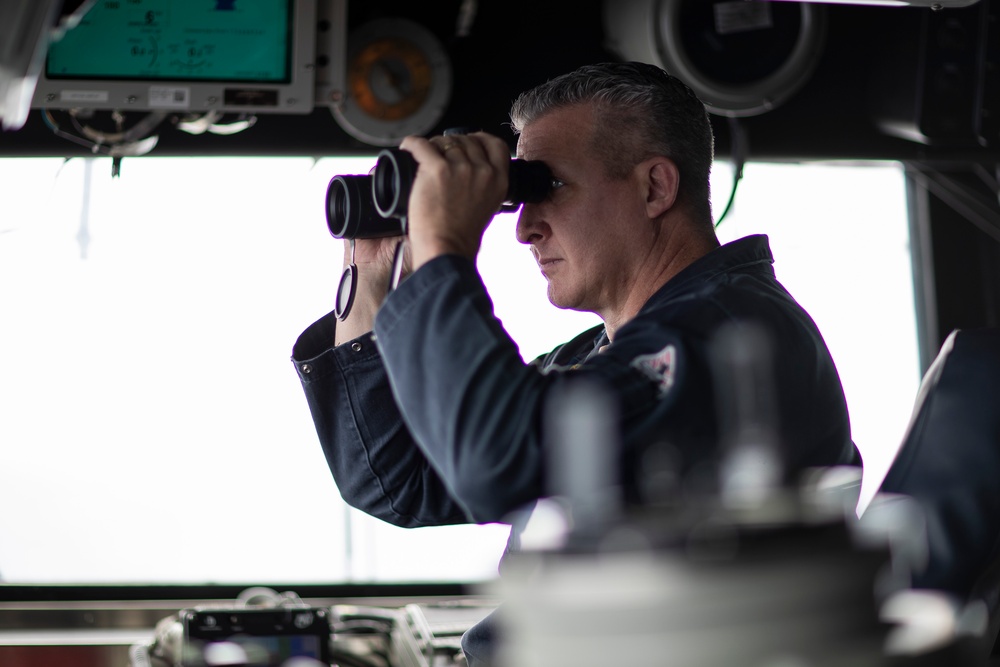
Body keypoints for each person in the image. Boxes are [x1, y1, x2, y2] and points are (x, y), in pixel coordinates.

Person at [291, 61, 858, 665]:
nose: (524, 229)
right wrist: (374, 270)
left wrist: (442, 252)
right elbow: (397, 481)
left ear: (654, 188)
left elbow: (495, 465)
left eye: (547, 187)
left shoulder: (725, 334)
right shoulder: (613, 351)